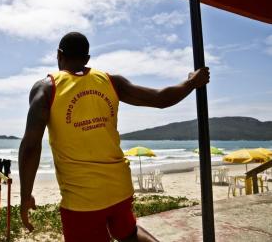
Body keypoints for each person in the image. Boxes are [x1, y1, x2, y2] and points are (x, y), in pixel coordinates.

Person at [19, 32, 210, 242]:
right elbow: (160, 98)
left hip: (82, 199)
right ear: (87, 59)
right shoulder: (111, 82)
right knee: (129, 235)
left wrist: (26, 196)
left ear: (58, 55)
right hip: (119, 189)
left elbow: (30, 147)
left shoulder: (47, 88)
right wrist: (192, 82)